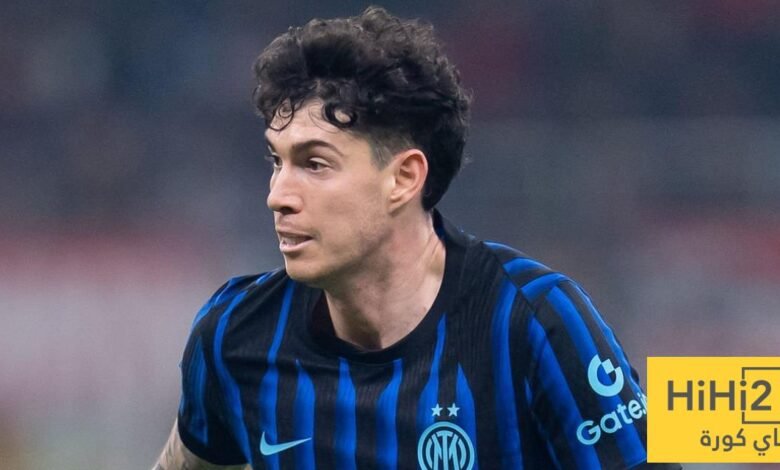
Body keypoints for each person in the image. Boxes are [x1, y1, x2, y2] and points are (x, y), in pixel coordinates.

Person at [154, 7, 680, 470]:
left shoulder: (534, 321)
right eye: (277, 161)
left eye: (314, 164)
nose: (277, 196)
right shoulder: (237, 336)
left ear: (404, 178)